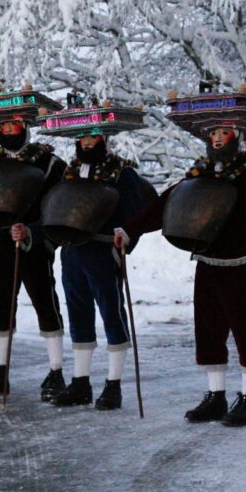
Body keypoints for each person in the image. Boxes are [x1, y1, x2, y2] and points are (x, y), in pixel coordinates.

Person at [115, 123, 246, 427]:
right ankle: (216, 396)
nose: (218, 138)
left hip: (241, 266)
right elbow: (166, 203)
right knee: (208, 331)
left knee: (245, 331)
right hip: (207, 263)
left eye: (225, 133)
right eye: (214, 134)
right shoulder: (201, 173)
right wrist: (130, 229)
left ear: (238, 136)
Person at [0, 119, 68, 401]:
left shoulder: (49, 163)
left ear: (24, 127)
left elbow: (61, 204)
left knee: (44, 301)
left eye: (14, 126)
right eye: (4, 127)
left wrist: (33, 231)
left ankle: (56, 371)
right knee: (0, 303)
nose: (9, 132)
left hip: (33, 243)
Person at [50, 133, 147, 410]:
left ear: (103, 137)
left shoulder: (122, 173)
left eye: (92, 137)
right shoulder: (69, 173)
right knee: (78, 316)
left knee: (112, 316)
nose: (86, 143)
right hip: (73, 253)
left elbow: (134, 214)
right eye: (81, 138)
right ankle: (80, 383)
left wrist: (125, 239)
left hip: (104, 253)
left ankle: (113, 384)